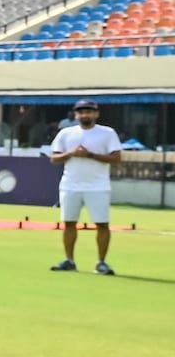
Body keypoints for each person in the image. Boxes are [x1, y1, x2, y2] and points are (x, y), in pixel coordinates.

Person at [48, 99, 120, 274]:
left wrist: (90, 155)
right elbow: (54, 158)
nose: (85, 115)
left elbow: (116, 158)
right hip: (70, 184)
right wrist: (72, 153)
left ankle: (101, 262)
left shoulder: (107, 133)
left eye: (89, 111)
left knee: (102, 224)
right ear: (76, 114)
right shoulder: (66, 133)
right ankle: (69, 260)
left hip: (98, 185)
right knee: (69, 223)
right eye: (81, 112)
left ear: (96, 114)